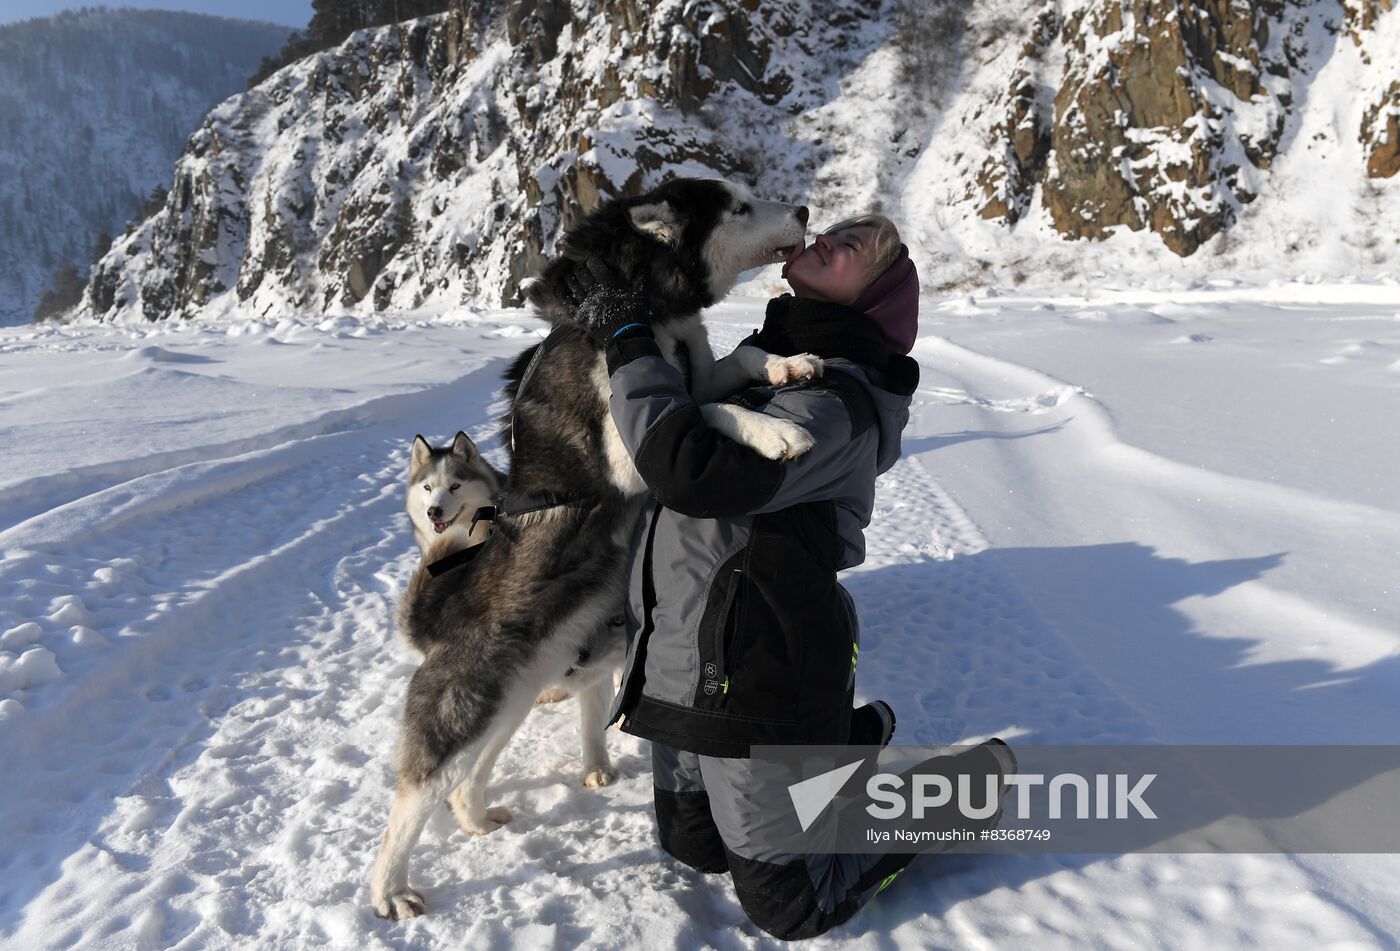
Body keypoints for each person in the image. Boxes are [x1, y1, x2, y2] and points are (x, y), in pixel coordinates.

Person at [570, 215, 1015, 939]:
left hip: (758, 676)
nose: (840, 235)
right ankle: (845, 741)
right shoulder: (765, 360)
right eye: (845, 227)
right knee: (691, 844)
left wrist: (628, 340)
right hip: (680, 660)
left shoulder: (839, 406)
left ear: (876, 301)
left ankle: (966, 786)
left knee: (793, 903)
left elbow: (691, 469)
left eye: (866, 245)